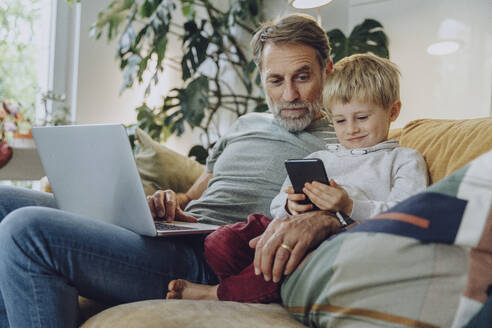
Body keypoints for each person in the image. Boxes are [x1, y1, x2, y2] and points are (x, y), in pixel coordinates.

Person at [0, 13, 345, 328]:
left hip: (215, 260)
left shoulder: (350, 143)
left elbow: (375, 210)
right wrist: (165, 203)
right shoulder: (245, 124)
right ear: (262, 79)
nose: (289, 94)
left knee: (26, 229)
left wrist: (327, 219)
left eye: (302, 77)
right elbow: (194, 197)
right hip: (173, 234)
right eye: (276, 80)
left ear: (327, 71)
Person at [164, 53, 428, 303]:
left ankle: (219, 294)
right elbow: (278, 204)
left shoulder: (403, 159)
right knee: (220, 242)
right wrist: (291, 205)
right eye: (339, 121)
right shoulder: (320, 157)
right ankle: (249, 285)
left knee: (289, 264)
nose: (351, 129)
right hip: (284, 227)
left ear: (393, 112)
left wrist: (349, 206)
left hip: (333, 244)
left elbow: (406, 216)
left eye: (361, 117)